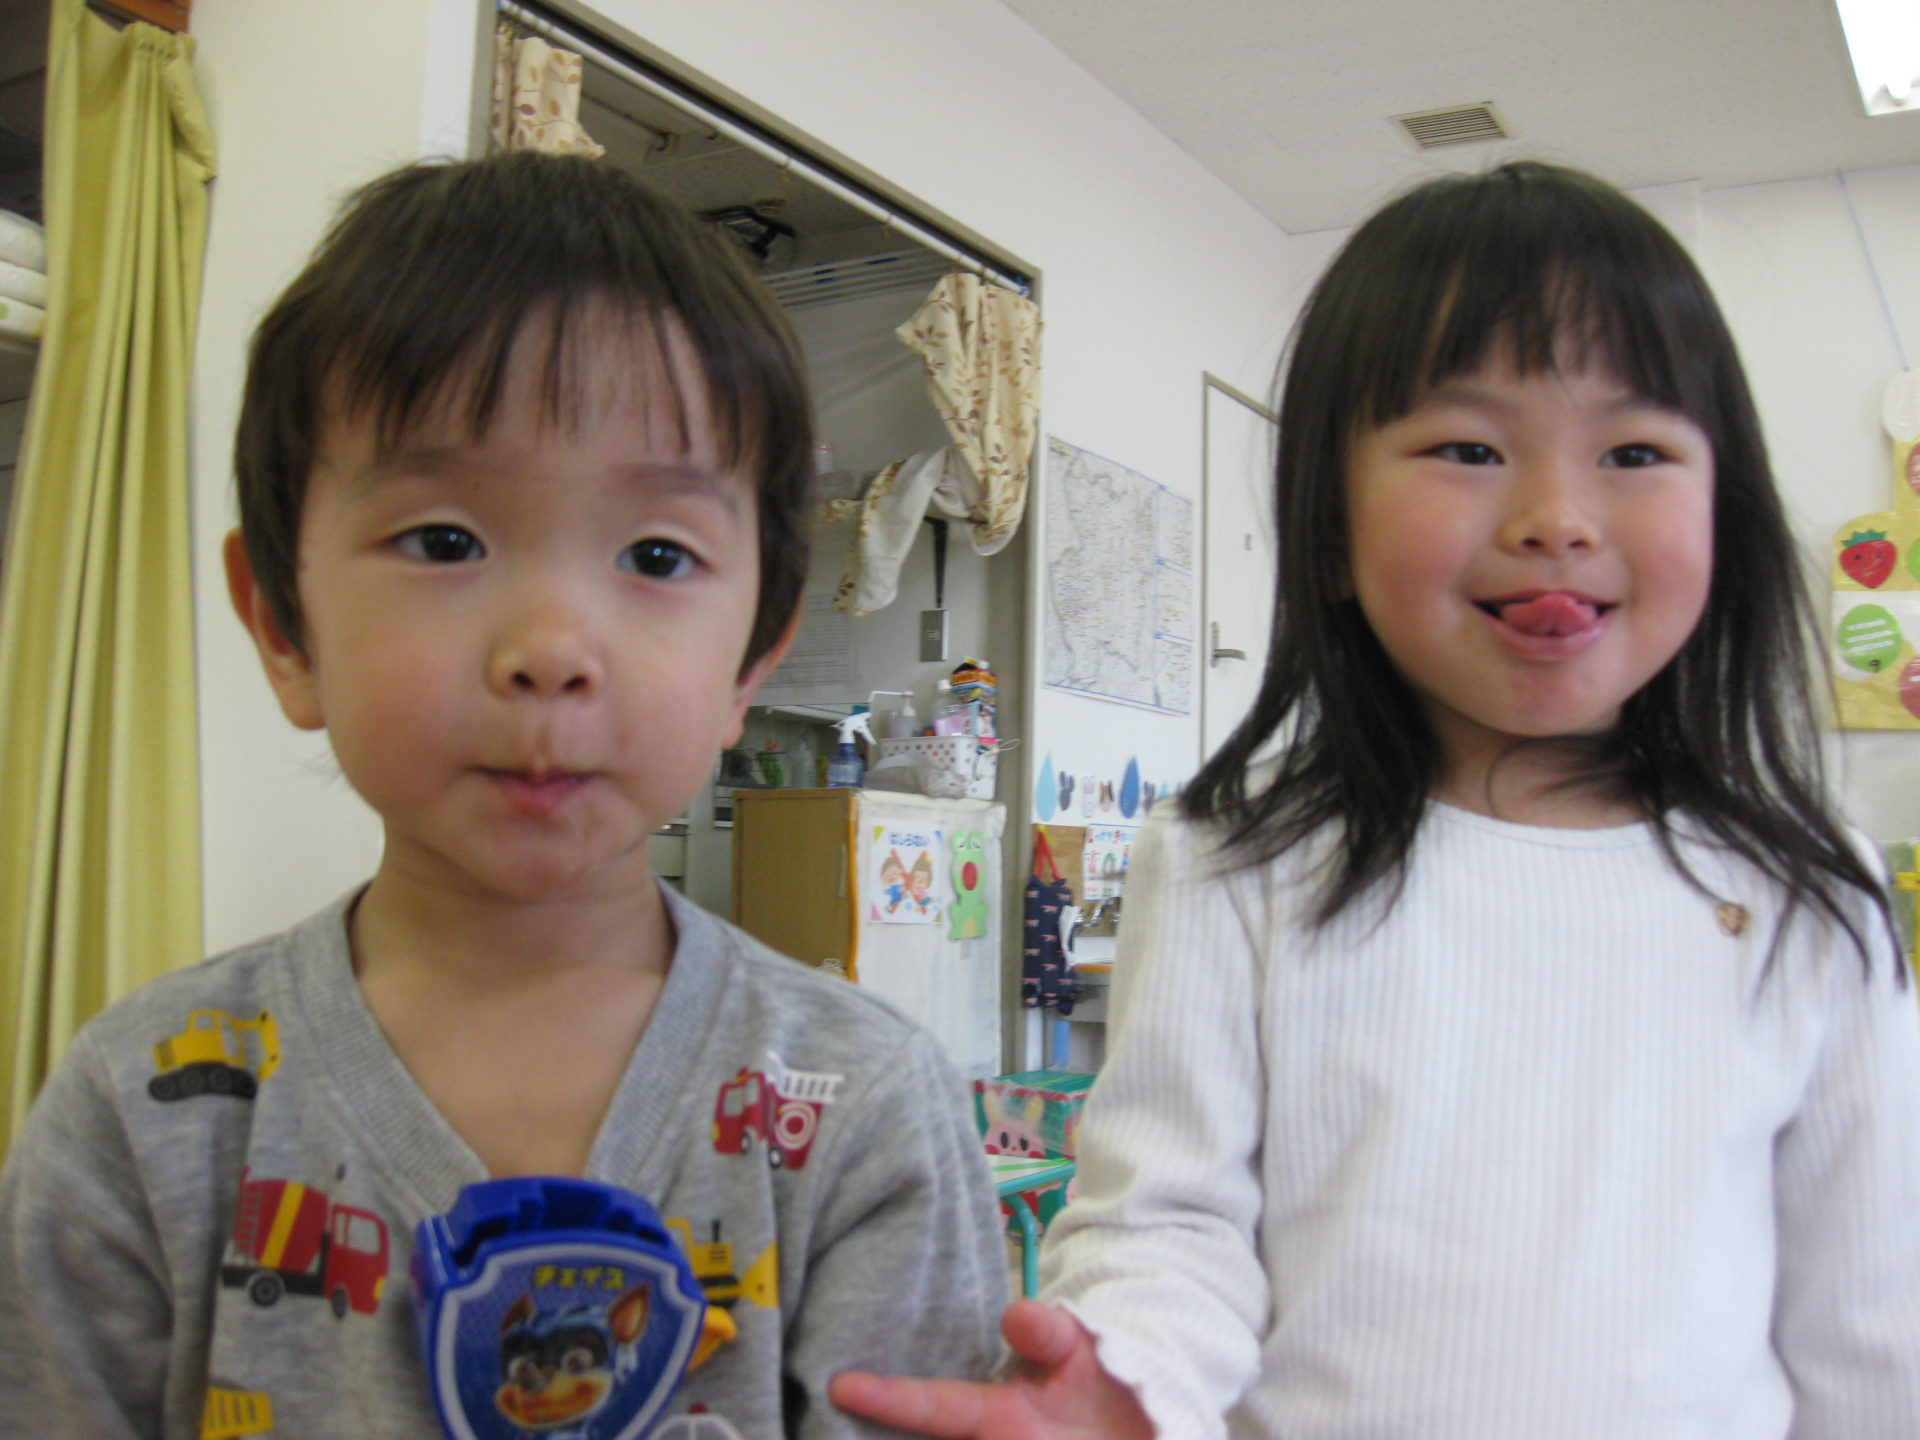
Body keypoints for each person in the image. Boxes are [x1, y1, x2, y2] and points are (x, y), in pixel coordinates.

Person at [832, 160, 1920, 1438]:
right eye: (1468, 448)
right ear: (1331, 528)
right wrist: (1125, 1379)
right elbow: (1170, 1223)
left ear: (1724, 513)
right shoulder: (1236, 859)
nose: (1557, 516)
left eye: (1634, 450)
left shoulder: (1808, 895)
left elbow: (1870, 1326)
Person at [0, 152, 1006, 1437]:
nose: (552, 647)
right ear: (286, 628)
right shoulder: (150, 1106)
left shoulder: (860, 1107)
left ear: (752, 660)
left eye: (657, 555)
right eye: (445, 541)